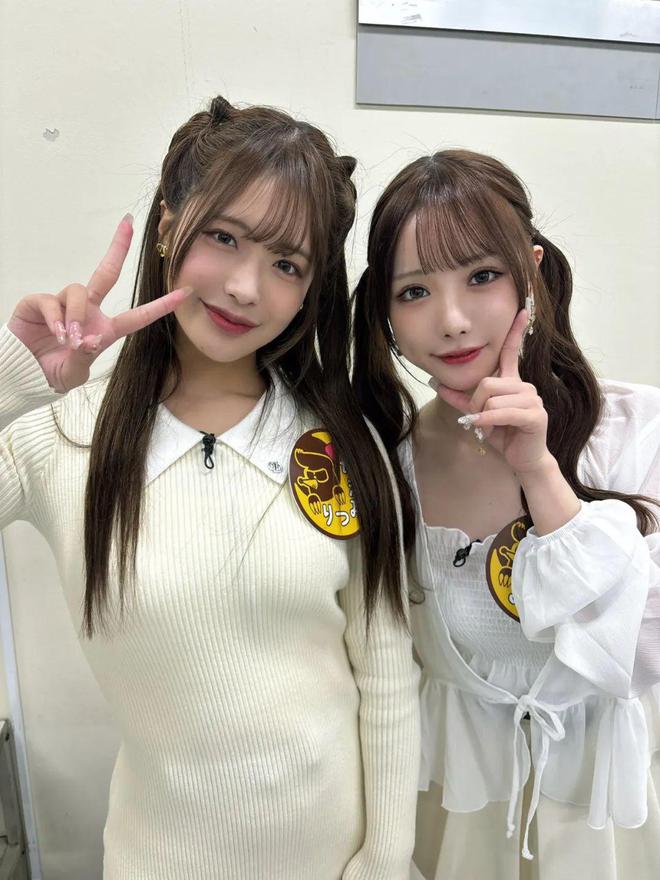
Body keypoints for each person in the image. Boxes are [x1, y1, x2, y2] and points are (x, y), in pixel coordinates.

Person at [0, 96, 420, 879]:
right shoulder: (59, 437)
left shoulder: (339, 443)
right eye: (223, 237)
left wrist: (386, 861)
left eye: (287, 264)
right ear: (167, 226)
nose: (245, 287)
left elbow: (388, 672)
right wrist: (18, 376)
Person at [352, 149, 660, 880]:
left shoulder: (635, 431)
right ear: (385, 314)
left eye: (482, 276)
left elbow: (641, 657)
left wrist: (540, 472)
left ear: (532, 272)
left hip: (610, 827)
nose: (452, 321)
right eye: (415, 291)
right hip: (457, 825)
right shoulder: (386, 467)